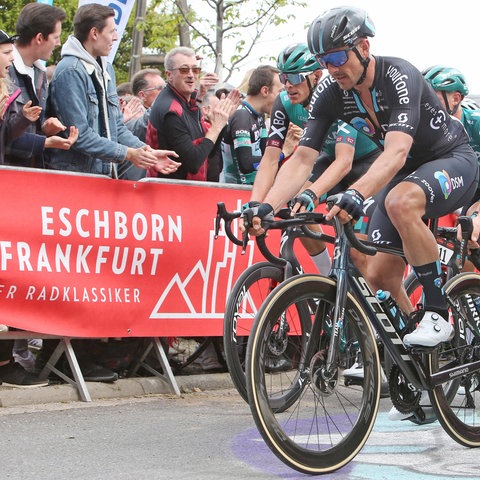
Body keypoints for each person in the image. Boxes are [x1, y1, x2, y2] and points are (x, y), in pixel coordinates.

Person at [243, 6, 478, 352]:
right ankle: (412, 367)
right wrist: (265, 205)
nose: (333, 69)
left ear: (364, 48)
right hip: (406, 174)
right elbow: (301, 160)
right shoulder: (330, 93)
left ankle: (438, 312)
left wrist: (355, 192)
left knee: (400, 200)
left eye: (339, 56)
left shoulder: (398, 75)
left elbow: (396, 153)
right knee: (378, 276)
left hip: (451, 160)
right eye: (325, 61)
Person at [46, 3, 180, 179]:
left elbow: (116, 126)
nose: (116, 37)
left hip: (102, 175)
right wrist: (128, 153)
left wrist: (147, 153)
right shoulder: (70, 71)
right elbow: (80, 135)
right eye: (111, 31)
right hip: (74, 178)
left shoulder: (106, 69)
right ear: (94, 33)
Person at [0, 30, 48, 387]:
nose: (9, 59)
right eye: (4, 53)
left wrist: (18, 120)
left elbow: (6, 141)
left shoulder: (5, 90)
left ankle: (5, 362)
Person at [146, 46, 241, 181]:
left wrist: (220, 122)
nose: (191, 75)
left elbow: (208, 151)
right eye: (184, 70)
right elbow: (194, 162)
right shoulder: (170, 110)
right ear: (169, 75)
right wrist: (216, 127)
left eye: (195, 70)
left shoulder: (188, 101)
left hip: (192, 189)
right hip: (170, 192)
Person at [5, 2, 76, 168]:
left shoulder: (40, 72)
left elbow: (28, 124)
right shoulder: (4, 71)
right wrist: (46, 142)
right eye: (56, 37)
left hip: (31, 172)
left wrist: (44, 126)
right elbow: (5, 134)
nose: (58, 43)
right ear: (39, 38)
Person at [220, 65, 283, 185]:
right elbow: (247, 164)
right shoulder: (241, 116)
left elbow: (267, 152)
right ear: (265, 91)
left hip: (252, 189)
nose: (283, 98)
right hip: (234, 191)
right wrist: (284, 152)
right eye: (280, 92)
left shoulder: (259, 115)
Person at [119, 68, 166, 180]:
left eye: (166, 87)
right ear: (142, 95)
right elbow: (146, 122)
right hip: (132, 185)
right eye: (160, 88)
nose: (165, 92)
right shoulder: (131, 120)